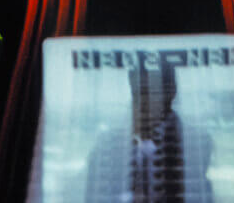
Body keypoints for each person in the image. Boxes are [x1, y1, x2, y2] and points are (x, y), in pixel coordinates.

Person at [80, 62, 214, 203]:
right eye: (137, 91)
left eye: (152, 91)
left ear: (171, 92)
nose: (142, 100)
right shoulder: (108, 144)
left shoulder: (196, 143)